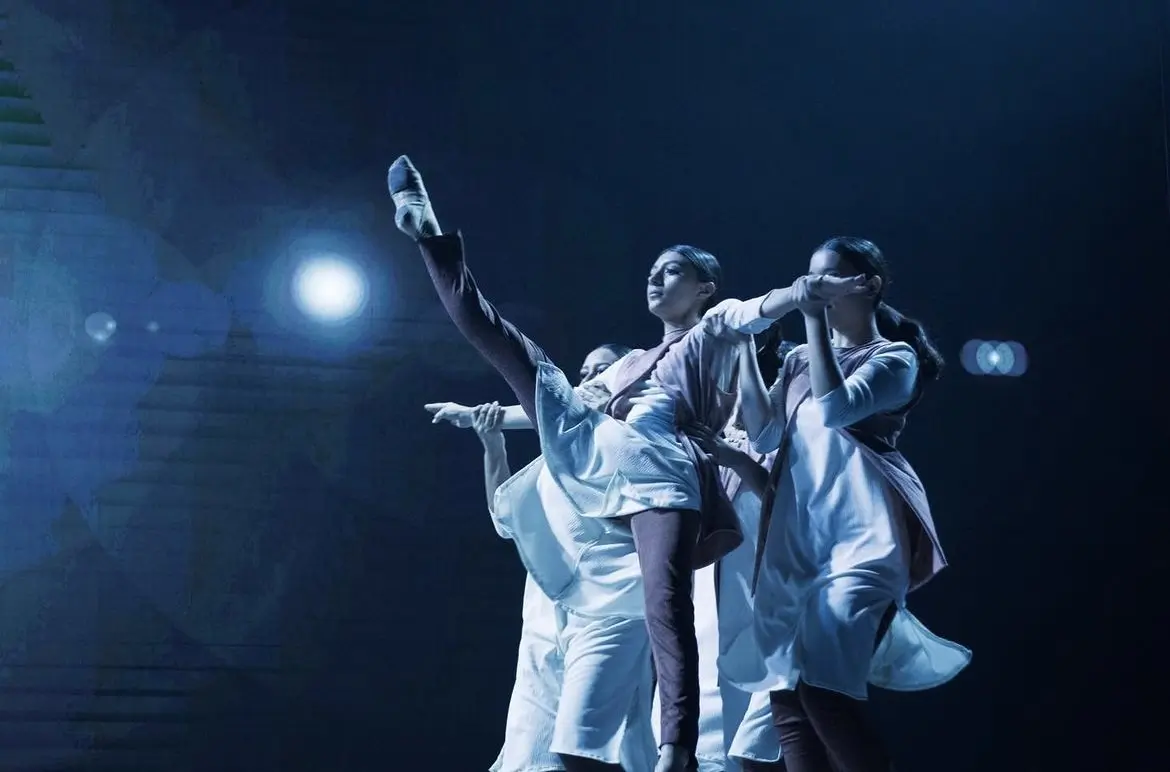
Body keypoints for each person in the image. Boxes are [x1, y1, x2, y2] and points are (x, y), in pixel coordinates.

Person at [388, 154, 869, 772]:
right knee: (513, 349)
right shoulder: (624, 365)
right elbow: (559, 402)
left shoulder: (717, 331)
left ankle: (677, 749)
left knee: (666, 604)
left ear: (704, 289)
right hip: (604, 451)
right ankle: (428, 234)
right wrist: (480, 415)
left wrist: (797, 296)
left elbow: (758, 317)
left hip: (662, 467)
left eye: (671, 272)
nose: (655, 280)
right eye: (651, 272)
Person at [710, 237, 972, 772]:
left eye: (827, 277)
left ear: (868, 285)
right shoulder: (799, 359)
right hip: (798, 546)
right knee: (787, 700)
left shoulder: (893, 359)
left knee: (825, 689)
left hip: (863, 543)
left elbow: (836, 409)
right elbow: (763, 435)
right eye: (810, 277)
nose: (813, 287)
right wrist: (743, 350)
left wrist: (810, 319)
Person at [467, 344, 656, 772]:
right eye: (584, 372)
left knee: (594, 744)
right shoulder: (558, 454)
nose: (587, 381)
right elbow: (504, 519)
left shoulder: (636, 445)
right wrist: (493, 445)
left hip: (609, 606)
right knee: (534, 751)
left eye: (601, 370)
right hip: (544, 613)